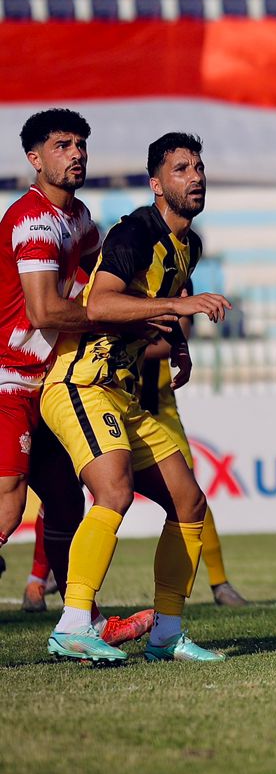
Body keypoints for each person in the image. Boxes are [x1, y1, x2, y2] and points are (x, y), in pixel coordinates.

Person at [39, 132, 233, 664]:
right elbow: (101, 303)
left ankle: (167, 633)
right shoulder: (133, 233)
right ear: (156, 184)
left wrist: (179, 347)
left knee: (189, 501)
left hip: (124, 393)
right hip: (79, 382)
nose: (194, 177)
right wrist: (182, 303)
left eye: (198, 166)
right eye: (180, 169)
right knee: (114, 488)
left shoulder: (188, 244)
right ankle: (73, 624)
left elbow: (156, 314)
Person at [4, 109, 154, 647]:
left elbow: (99, 288)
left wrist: (138, 305)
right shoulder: (34, 220)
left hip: (48, 380)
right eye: (62, 145)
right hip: (10, 378)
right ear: (35, 158)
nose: (76, 154)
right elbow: (46, 314)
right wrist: (124, 314)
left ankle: (78, 622)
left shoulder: (82, 219)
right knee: (10, 500)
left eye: (81, 145)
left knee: (69, 500)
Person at [137, 348, 248, 606]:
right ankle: (51, 571)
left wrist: (127, 339)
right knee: (74, 485)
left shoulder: (171, 304)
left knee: (191, 496)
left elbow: (174, 339)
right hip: (110, 400)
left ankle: (220, 583)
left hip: (159, 409)